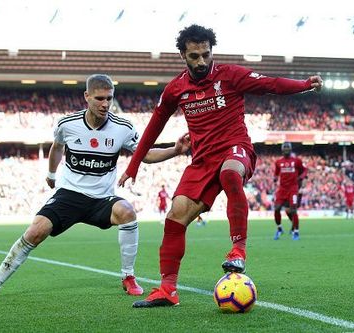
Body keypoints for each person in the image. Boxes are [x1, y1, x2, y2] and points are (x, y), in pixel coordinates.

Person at [118, 24, 322, 307]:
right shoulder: (176, 89)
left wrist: (303, 85)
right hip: (201, 161)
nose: (201, 61)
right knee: (175, 218)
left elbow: (270, 84)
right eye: (194, 56)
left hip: (235, 148)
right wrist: (134, 165)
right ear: (182, 56)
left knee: (230, 173)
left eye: (206, 54)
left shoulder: (230, 75)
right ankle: (168, 290)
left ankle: (238, 249)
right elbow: (153, 127)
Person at [0, 74, 191, 300]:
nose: (105, 104)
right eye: (99, 98)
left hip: (102, 199)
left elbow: (146, 155)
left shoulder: (122, 127)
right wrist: (51, 174)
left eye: (110, 98)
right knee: (34, 232)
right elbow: (57, 147)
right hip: (69, 195)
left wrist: (175, 150)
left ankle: (128, 276)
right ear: (86, 96)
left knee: (128, 212)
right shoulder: (68, 124)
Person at [273, 142, 307, 241]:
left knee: (293, 210)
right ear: (282, 150)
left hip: (293, 189)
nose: (286, 149)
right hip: (282, 189)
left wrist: (301, 177)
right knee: (276, 208)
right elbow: (276, 173)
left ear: (291, 149)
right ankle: (279, 228)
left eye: (288, 148)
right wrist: (275, 178)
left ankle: (296, 232)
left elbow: (304, 170)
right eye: (285, 148)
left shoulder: (297, 161)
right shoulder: (278, 162)